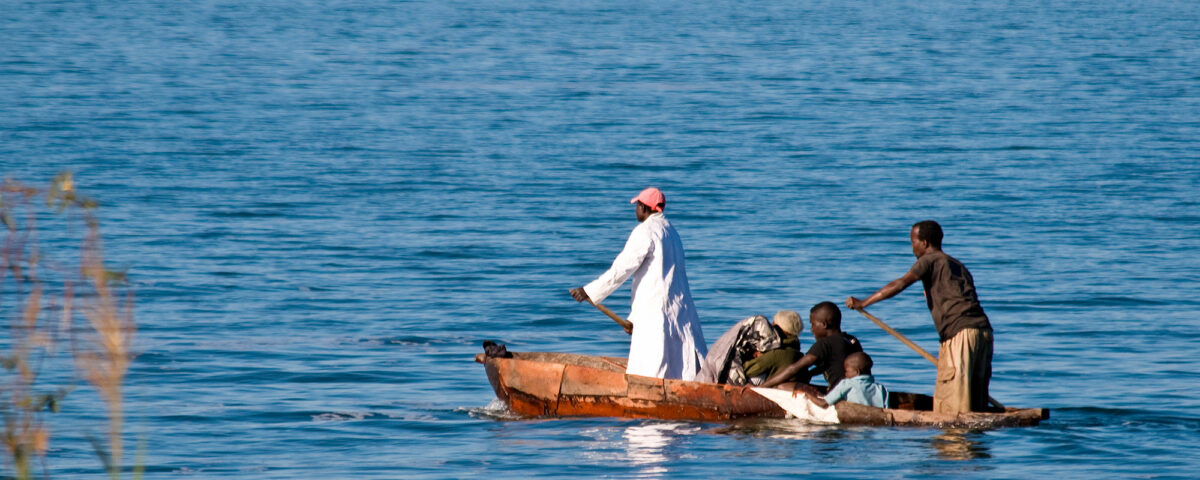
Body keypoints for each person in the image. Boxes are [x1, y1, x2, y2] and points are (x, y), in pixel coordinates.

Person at [845, 220, 993, 413]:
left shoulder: (929, 260)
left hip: (960, 333)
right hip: (983, 333)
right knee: (974, 401)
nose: (912, 247)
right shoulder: (957, 265)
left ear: (924, 243)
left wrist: (863, 303)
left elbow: (900, 283)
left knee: (952, 405)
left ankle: (953, 442)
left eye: (913, 242)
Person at [570, 187, 707, 380]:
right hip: (679, 309)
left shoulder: (646, 232)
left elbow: (621, 269)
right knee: (679, 367)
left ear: (644, 207)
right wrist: (634, 319)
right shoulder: (672, 232)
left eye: (637, 206)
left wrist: (589, 291)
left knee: (650, 368)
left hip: (656, 311)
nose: (635, 210)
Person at [759, 302, 863, 392]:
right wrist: (811, 374)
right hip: (857, 390)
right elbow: (836, 364)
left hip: (840, 395)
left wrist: (762, 387)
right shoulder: (851, 340)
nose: (811, 329)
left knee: (782, 386)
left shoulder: (824, 344)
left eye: (813, 324)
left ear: (823, 325)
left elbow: (793, 368)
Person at [802, 352, 888, 408]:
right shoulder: (881, 388)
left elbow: (824, 404)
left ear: (857, 372)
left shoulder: (847, 383)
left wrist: (808, 394)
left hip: (853, 429)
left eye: (846, 371)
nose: (845, 374)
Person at [743, 310, 804, 382]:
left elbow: (747, 370)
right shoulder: (797, 352)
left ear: (783, 329)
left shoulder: (776, 354)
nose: (771, 328)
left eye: (774, 325)